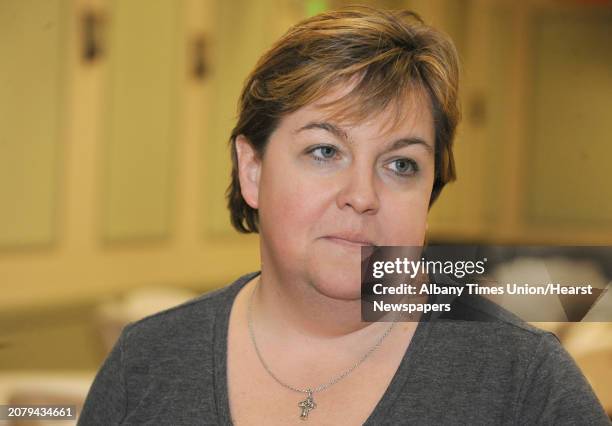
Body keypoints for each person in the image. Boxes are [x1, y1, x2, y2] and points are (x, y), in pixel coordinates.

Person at [78, 6, 609, 425]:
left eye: (401, 164)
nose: (362, 195)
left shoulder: (523, 381)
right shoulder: (146, 363)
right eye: (325, 151)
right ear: (253, 169)